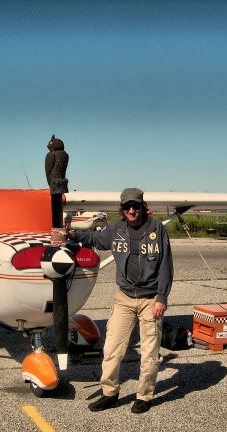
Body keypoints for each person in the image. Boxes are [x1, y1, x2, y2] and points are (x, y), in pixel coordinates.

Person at [70, 188, 173, 414]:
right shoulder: (116, 229)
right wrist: (71, 235)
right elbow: (96, 239)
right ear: (122, 209)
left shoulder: (157, 229)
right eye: (127, 207)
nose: (131, 210)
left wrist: (162, 297)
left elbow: (166, 265)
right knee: (112, 348)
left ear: (143, 206)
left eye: (135, 206)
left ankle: (144, 395)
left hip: (150, 299)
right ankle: (110, 393)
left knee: (149, 353)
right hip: (124, 298)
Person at [44, 135, 69, 228]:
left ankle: (56, 227)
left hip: (54, 183)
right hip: (62, 183)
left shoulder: (51, 155)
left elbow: (48, 171)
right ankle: (58, 226)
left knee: (55, 208)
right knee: (58, 207)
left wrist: (50, 184)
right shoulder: (65, 155)